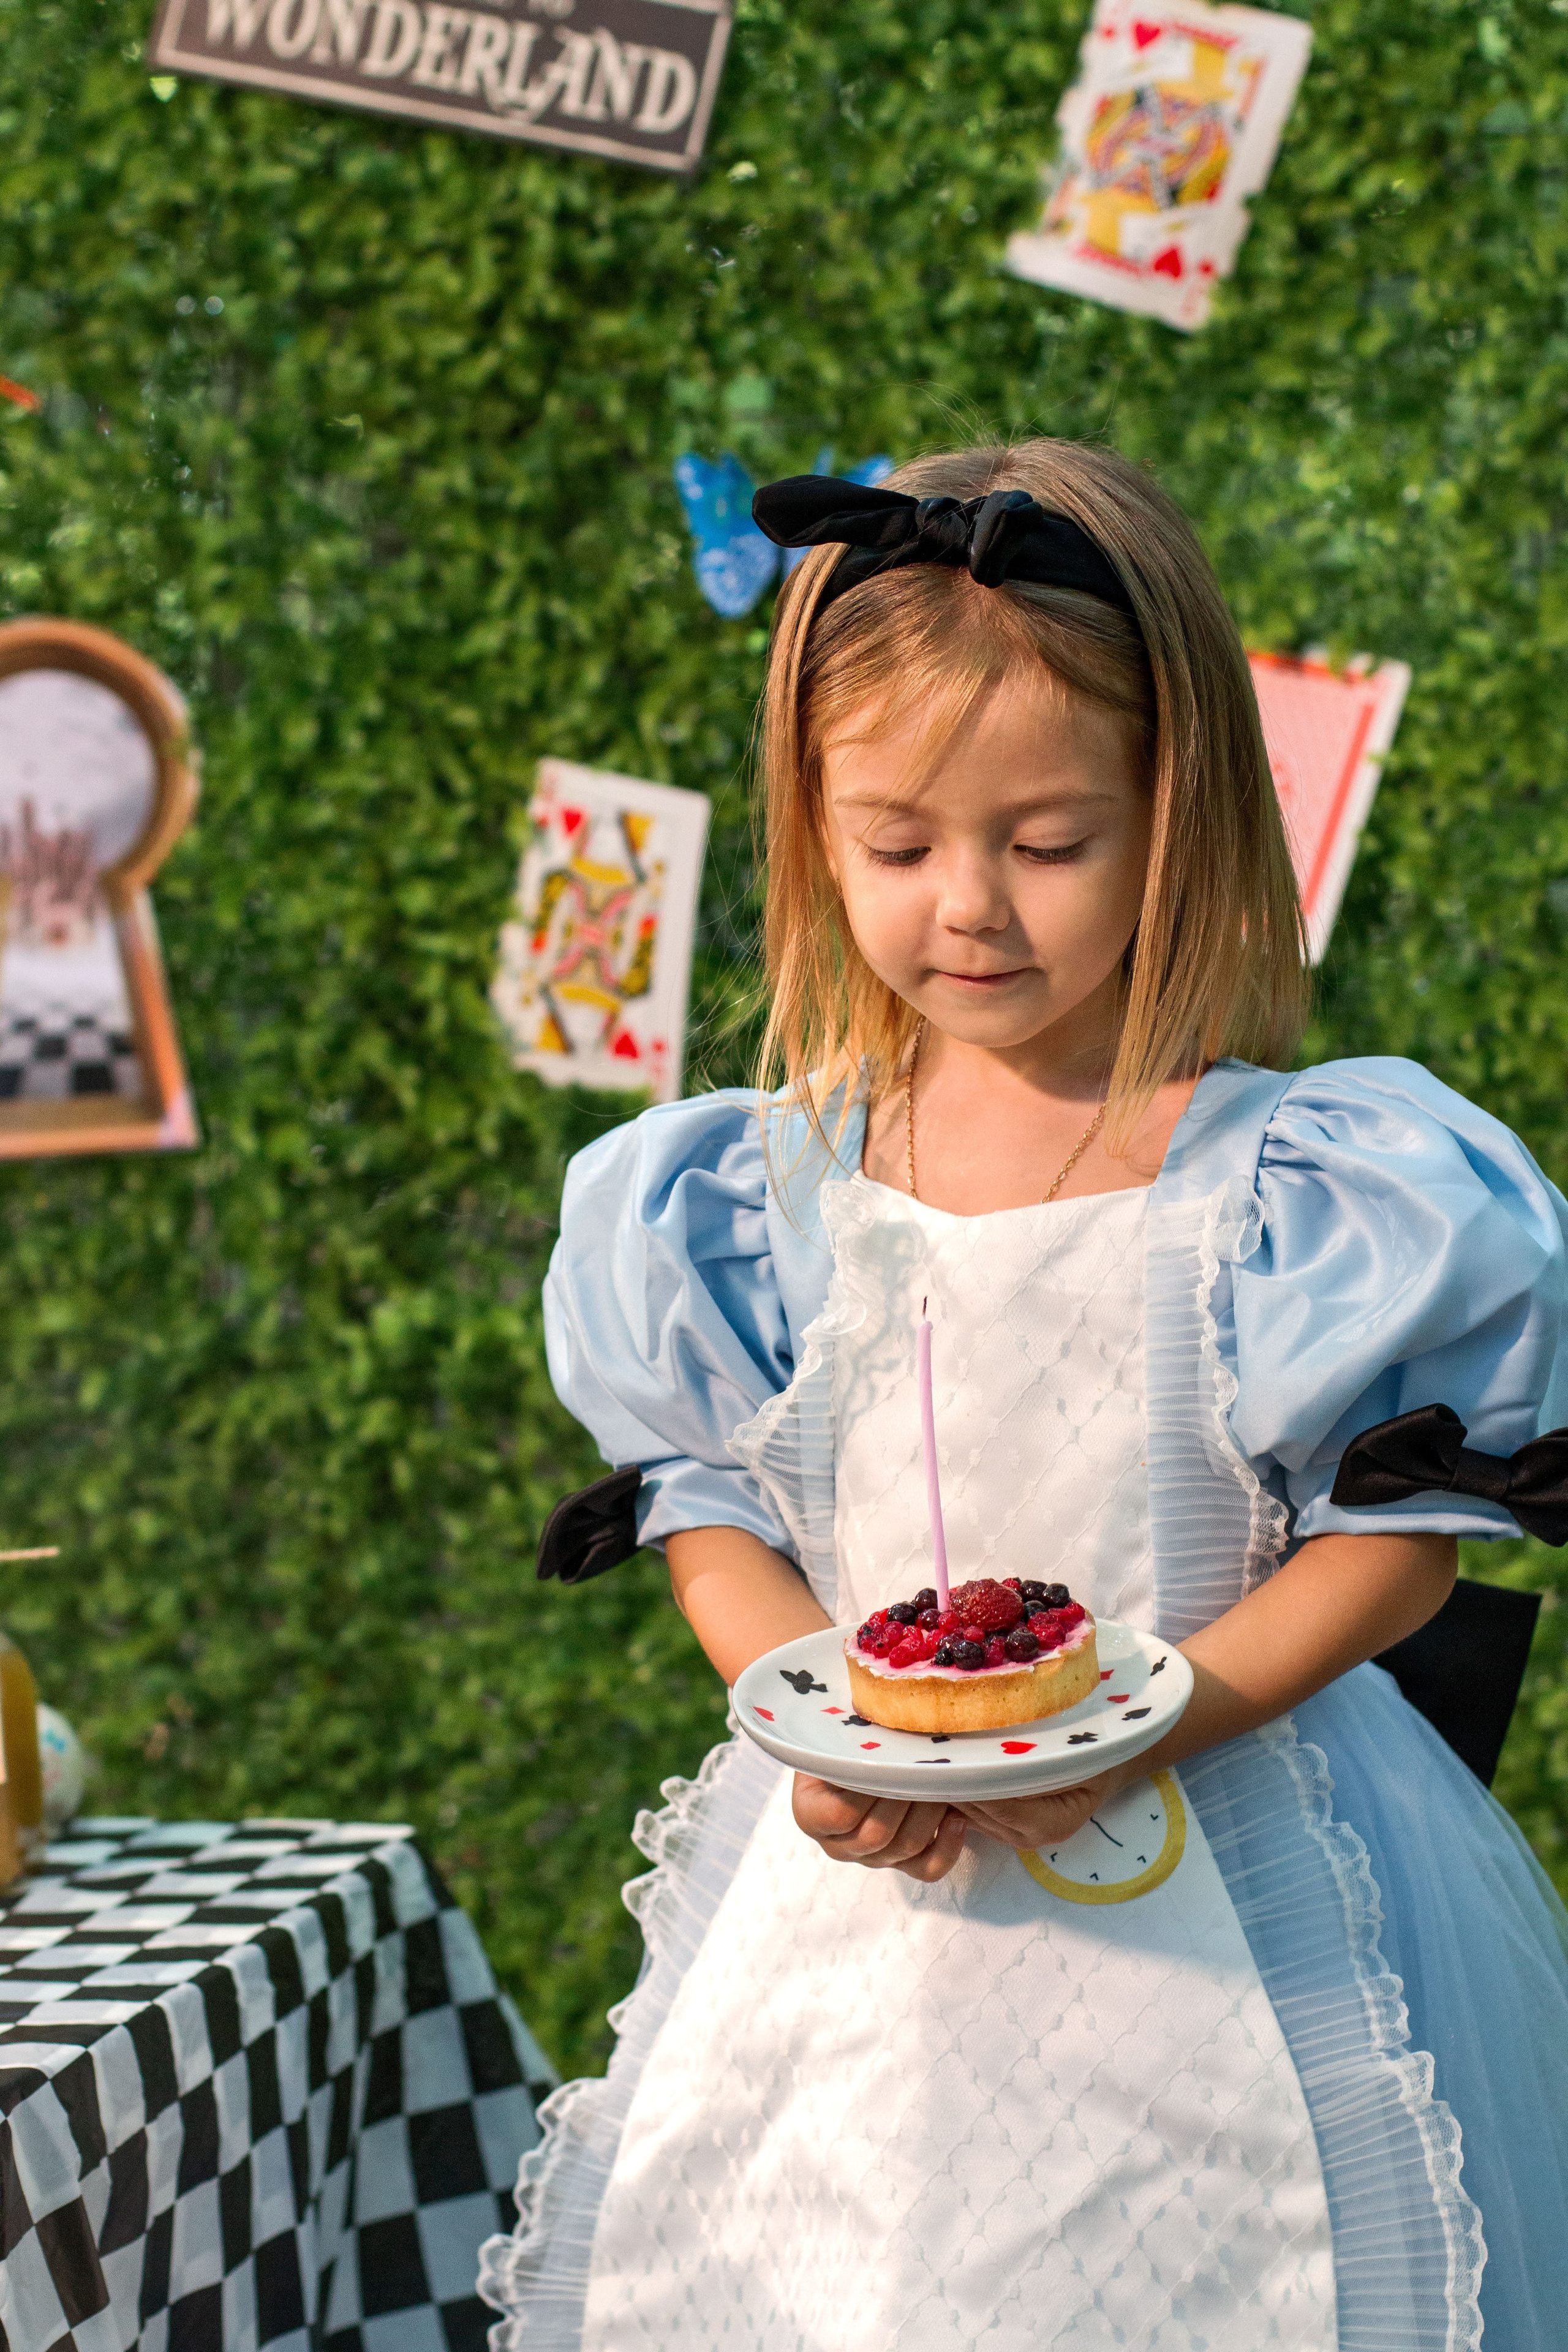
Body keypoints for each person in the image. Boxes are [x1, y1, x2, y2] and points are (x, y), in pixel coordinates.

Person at [479, 440, 1568, 2352]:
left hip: (1216, 1875)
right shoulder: (748, 1193)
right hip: (868, 1918)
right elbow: (707, 1512)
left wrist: (1155, 1724)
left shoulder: (1303, 1187)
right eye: (897, 846)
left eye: (1050, 843)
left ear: (1180, 813)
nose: (969, 906)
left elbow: (1396, 1549)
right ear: (813, 826)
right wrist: (823, 1726)